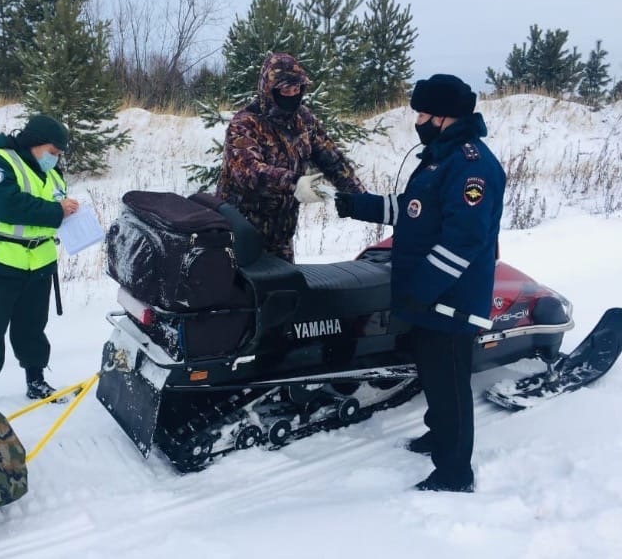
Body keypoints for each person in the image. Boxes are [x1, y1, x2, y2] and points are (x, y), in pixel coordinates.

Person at [334, 74, 506, 492]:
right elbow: (411, 210)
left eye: (425, 114)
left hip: (450, 300)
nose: (418, 121)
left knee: (449, 383)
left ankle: (454, 472)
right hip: (428, 295)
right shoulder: (438, 158)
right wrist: (356, 204)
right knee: (431, 373)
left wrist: (422, 289)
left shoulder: (471, 168)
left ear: (447, 116)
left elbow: (464, 241)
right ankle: (438, 434)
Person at [0, 114, 80, 408]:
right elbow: (7, 205)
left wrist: (70, 214)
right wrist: (56, 211)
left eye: (59, 154)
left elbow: (53, 209)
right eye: (52, 152)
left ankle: (36, 380)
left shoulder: (52, 174)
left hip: (39, 263)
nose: (55, 159)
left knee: (32, 328)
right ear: (34, 142)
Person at [215, 52, 365, 262]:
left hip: (281, 236)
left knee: (288, 282)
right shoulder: (245, 123)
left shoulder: (303, 119)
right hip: (239, 234)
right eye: (285, 90)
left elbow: (332, 160)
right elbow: (248, 172)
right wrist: (295, 182)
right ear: (269, 90)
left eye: (297, 89)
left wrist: (362, 198)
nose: (292, 96)